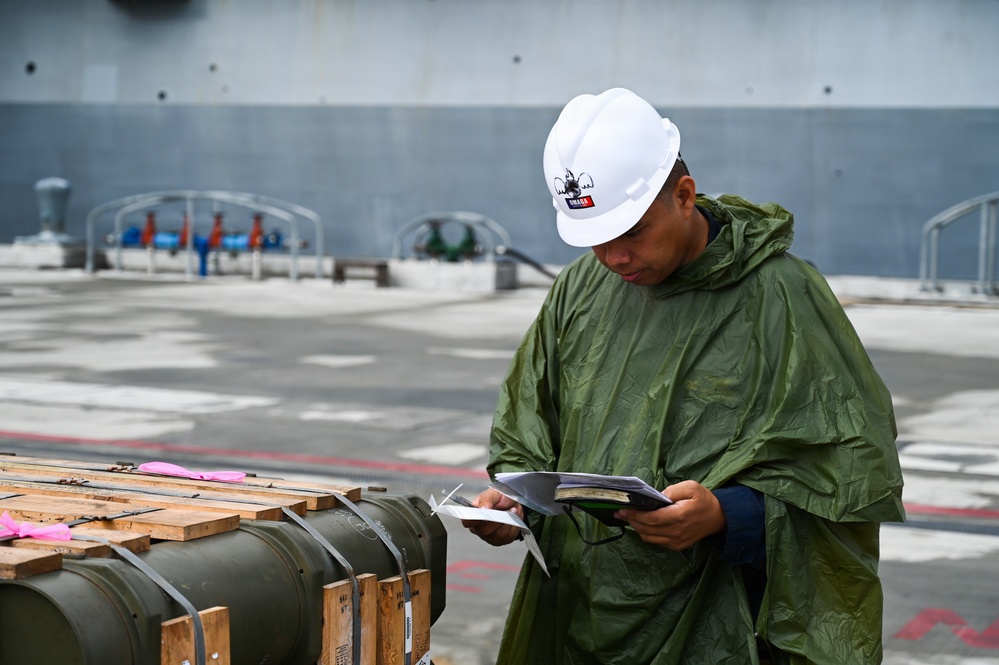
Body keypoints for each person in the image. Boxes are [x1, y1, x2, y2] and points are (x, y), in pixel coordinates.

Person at [461, 88, 905, 664]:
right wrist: (514, 502)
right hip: (581, 609)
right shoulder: (581, 289)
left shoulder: (780, 296)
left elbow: (848, 475)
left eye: (632, 232)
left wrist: (728, 516)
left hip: (715, 625)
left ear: (684, 195)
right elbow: (532, 421)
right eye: (595, 239)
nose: (614, 257)